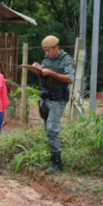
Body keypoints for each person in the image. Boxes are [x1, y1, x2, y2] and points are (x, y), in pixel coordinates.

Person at [32, 35, 75, 174]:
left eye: (48, 50)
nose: (46, 53)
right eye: (44, 50)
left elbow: (70, 79)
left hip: (58, 99)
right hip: (46, 97)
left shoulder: (66, 59)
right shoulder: (47, 59)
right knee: (48, 129)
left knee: (52, 129)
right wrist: (39, 70)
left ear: (56, 48)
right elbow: (45, 75)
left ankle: (57, 163)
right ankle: (52, 155)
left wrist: (51, 73)